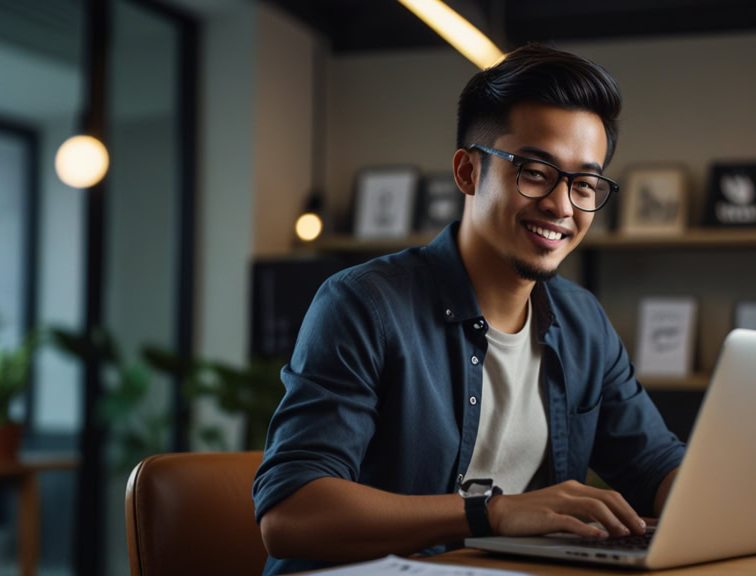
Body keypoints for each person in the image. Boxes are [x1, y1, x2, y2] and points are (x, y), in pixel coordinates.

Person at [253, 43, 685, 576]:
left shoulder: (583, 322)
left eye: (585, 184)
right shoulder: (363, 304)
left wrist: (740, 501)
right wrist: (491, 513)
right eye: (535, 172)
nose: (562, 205)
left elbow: (655, 465)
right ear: (467, 171)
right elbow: (290, 512)